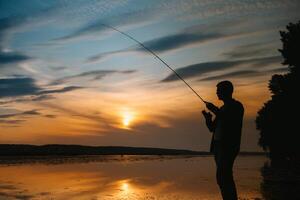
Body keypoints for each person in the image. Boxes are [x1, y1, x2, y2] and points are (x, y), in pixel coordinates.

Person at [202, 80, 244, 200]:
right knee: (222, 177)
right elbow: (212, 128)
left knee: (223, 176)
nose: (217, 93)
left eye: (219, 90)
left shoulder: (236, 106)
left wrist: (215, 109)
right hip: (217, 147)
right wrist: (208, 119)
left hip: (228, 147)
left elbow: (229, 120)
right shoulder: (222, 109)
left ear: (227, 91)